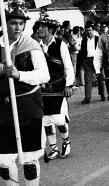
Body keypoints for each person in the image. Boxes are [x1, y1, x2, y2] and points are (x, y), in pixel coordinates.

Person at [0, 0, 50, 186]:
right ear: (4, 24)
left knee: (29, 159)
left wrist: (19, 75)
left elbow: (43, 75)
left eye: (21, 23)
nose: (18, 28)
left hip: (28, 105)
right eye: (13, 23)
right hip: (4, 107)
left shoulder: (32, 46)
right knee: (3, 160)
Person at [36, 12, 75, 160]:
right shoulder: (36, 46)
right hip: (43, 89)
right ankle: (53, 147)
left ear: (51, 29)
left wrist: (69, 85)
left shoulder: (61, 45)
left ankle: (66, 141)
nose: (39, 29)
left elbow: (68, 67)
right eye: (38, 26)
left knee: (58, 118)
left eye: (43, 27)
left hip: (59, 87)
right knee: (46, 119)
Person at [78, 23, 100, 103]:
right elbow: (82, 52)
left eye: (90, 30)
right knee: (88, 79)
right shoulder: (84, 41)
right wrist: (82, 62)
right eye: (87, 30)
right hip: (87, 61)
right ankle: (87, 97)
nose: (89, 32)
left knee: (101, 78)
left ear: (93, 30)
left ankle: (103, 94)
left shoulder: (98, 39)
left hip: (97, 60)